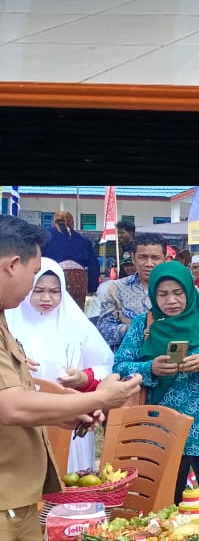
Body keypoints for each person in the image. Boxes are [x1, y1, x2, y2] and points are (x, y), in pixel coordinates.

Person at [0, 217, 142, 541]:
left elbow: (18, 392)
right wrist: (100, 398)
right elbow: (10, 405)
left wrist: (65, 412)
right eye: (34, 275)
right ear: (12, 265)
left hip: (18, 495)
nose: (36, 289)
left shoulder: (4, 317)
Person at [112, 261, 199, 504]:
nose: (171, 300)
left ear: (189, 291)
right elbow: (119, 367)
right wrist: (150, 368)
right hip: (160, 430)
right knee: (161, 505)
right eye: (162, 294)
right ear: (153, 295)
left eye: (178, 293)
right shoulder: (143, 325)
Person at [5, 259, 114, 474]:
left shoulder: (75, 324)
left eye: (55, 291)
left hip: (68, 413)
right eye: (38, 291)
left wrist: (83, 377)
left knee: (69, 475)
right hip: (25, 414)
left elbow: (105, 364)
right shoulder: (9, 322)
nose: (46, 298)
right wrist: (16, 362)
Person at [95, 232, 167, 350]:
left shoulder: (180, 289)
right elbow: (103, 330)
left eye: (155, 258)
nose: (149, 264)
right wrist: (133, 329)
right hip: (128, 357)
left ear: (165, 259)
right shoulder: (115, 289)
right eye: (143, 257)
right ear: (133, 258)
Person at [40, 211, 100, 294]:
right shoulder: (84, 240)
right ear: (72, 222)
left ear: (54, 222)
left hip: (50, 284)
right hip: (77, 286)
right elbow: (93, 267)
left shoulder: (43, 237)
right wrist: (92, 288)